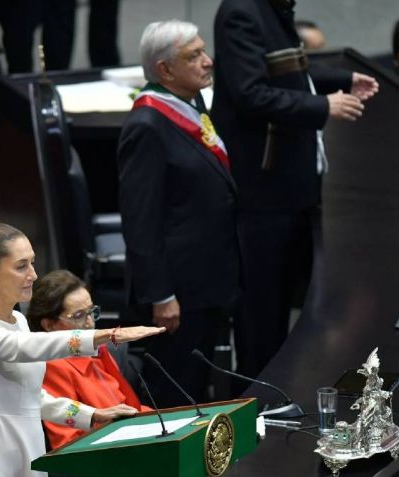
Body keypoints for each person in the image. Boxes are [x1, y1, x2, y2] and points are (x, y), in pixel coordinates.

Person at [212, 0, 378, 378]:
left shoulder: (274, 10)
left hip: (291, 187)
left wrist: (342, 80)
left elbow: (291, 72)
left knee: (292, 301)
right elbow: (250, 93)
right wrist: (322, 106)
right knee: (263, 309)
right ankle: (261, 398)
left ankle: (289, 387)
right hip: (263, 189)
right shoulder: (242, 12)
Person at [0, 223, 164, 476]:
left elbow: (34, 399)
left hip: (30, 444)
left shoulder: (18, 321)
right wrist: (103, 335)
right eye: (21, 266)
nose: (33, 274)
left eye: (32, 263)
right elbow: (24, 347)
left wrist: (93, 415)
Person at [117, 20, 240, 408]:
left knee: (197, 383)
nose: (207, 62)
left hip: (204, 280)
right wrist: (161, 295)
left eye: (205, 51)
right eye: (194, 56)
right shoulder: (147, 125)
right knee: (173, 390)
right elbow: (140, 222)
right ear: (165, 70)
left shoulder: (189, 102)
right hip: (177, 292)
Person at [26, 270, 153, 449]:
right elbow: (68, 442)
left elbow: (130, 409)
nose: (90, 322)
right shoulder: (52, 367)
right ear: (49, 325)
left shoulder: (97, 352)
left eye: (91, 312)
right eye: (79, 316)